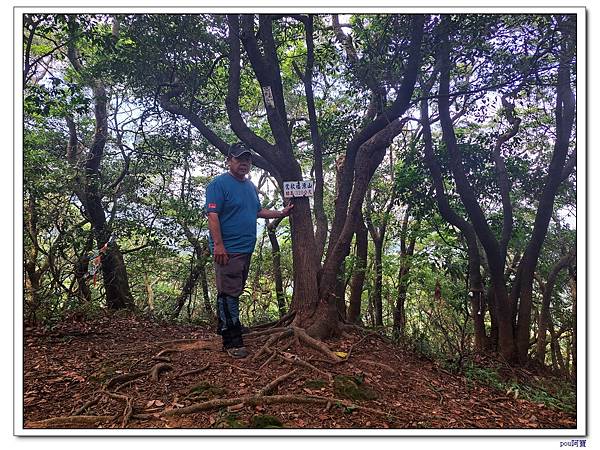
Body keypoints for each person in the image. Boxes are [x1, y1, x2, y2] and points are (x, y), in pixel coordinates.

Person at [205, 143, 293, 359]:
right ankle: (232, 340)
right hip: (227, 250)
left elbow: (258, 211)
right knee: (229, 294)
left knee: (232, 290)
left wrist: (282, 212)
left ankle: (226, 326)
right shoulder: (218, 185)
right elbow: (212, 216)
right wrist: (218, 245)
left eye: (247, 160)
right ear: (229, 160)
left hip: (245, 249)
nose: (244, 163)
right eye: (239, 159)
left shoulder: (250, 187)